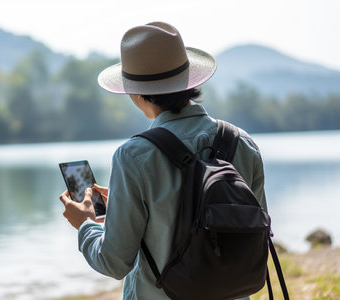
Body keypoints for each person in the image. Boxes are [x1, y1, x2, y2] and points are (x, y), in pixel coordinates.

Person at [59, 21, 267, 300]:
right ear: (189, 81)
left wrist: (85, 224)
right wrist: (123, 205)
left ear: (134, 92)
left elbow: (114, 262)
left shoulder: (133, 156)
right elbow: (257, 232)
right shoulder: (242, 142)